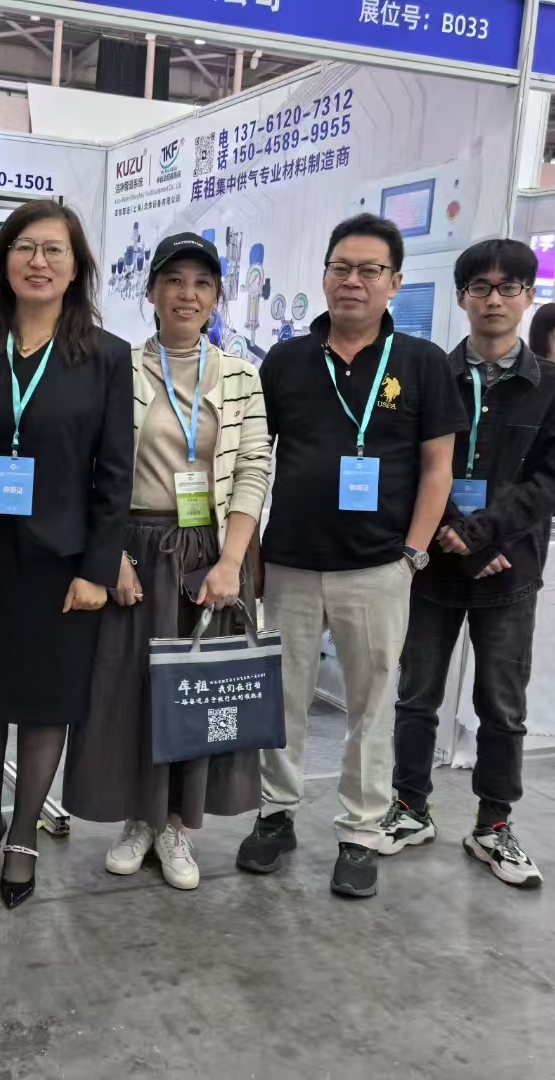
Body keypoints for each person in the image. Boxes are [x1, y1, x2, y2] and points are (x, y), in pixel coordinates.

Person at [235, 213, 464, 900]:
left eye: (369, 270)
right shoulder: (285, 361)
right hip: (293, 564)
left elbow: (437, 469)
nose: (353, 281)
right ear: (325, 275)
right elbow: (256, 459)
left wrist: (413, 556)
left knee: (370, 705)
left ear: (394, 282)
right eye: (341, 267)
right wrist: (251, 553)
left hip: (377, 569)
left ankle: (360, 831)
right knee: (285, 702)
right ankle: (276, 816)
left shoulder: (422, 363)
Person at [0, 200, 133, 909]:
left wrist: (98, 570)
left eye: (54, 250)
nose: (38, 261)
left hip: (61, 563)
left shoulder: (106, 357)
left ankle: (23, 835)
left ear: (76, 267)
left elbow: (116, 472)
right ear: (3, 259)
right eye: (24, 247)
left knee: (46, 705)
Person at [62, 233, 270, 890]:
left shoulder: (239, 375)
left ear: (215, 299)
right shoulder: (118, 367)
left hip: (207, 551)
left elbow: (253, 472)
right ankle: (137, 819)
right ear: (151, 292)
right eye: (174, 280)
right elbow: (91, 468)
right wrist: (110, 555)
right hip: (135, 547)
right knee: (125, 690)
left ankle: (177, 825)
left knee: (196, 690)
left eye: (202, 284)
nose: (187, 294)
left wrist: (231, 562)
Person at [382, 239, 555, 888]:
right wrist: (448, 532)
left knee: (501, 705)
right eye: (480, 287)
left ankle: (494, 825)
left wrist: (485, 536)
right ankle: (410, 807)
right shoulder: (430, 374)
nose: (494, 299)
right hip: (436, 570)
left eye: (509, 287)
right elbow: (407, 465)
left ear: (528, 297)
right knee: (416, 697)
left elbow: (553, 480)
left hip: (509, 569)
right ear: (463, 296)